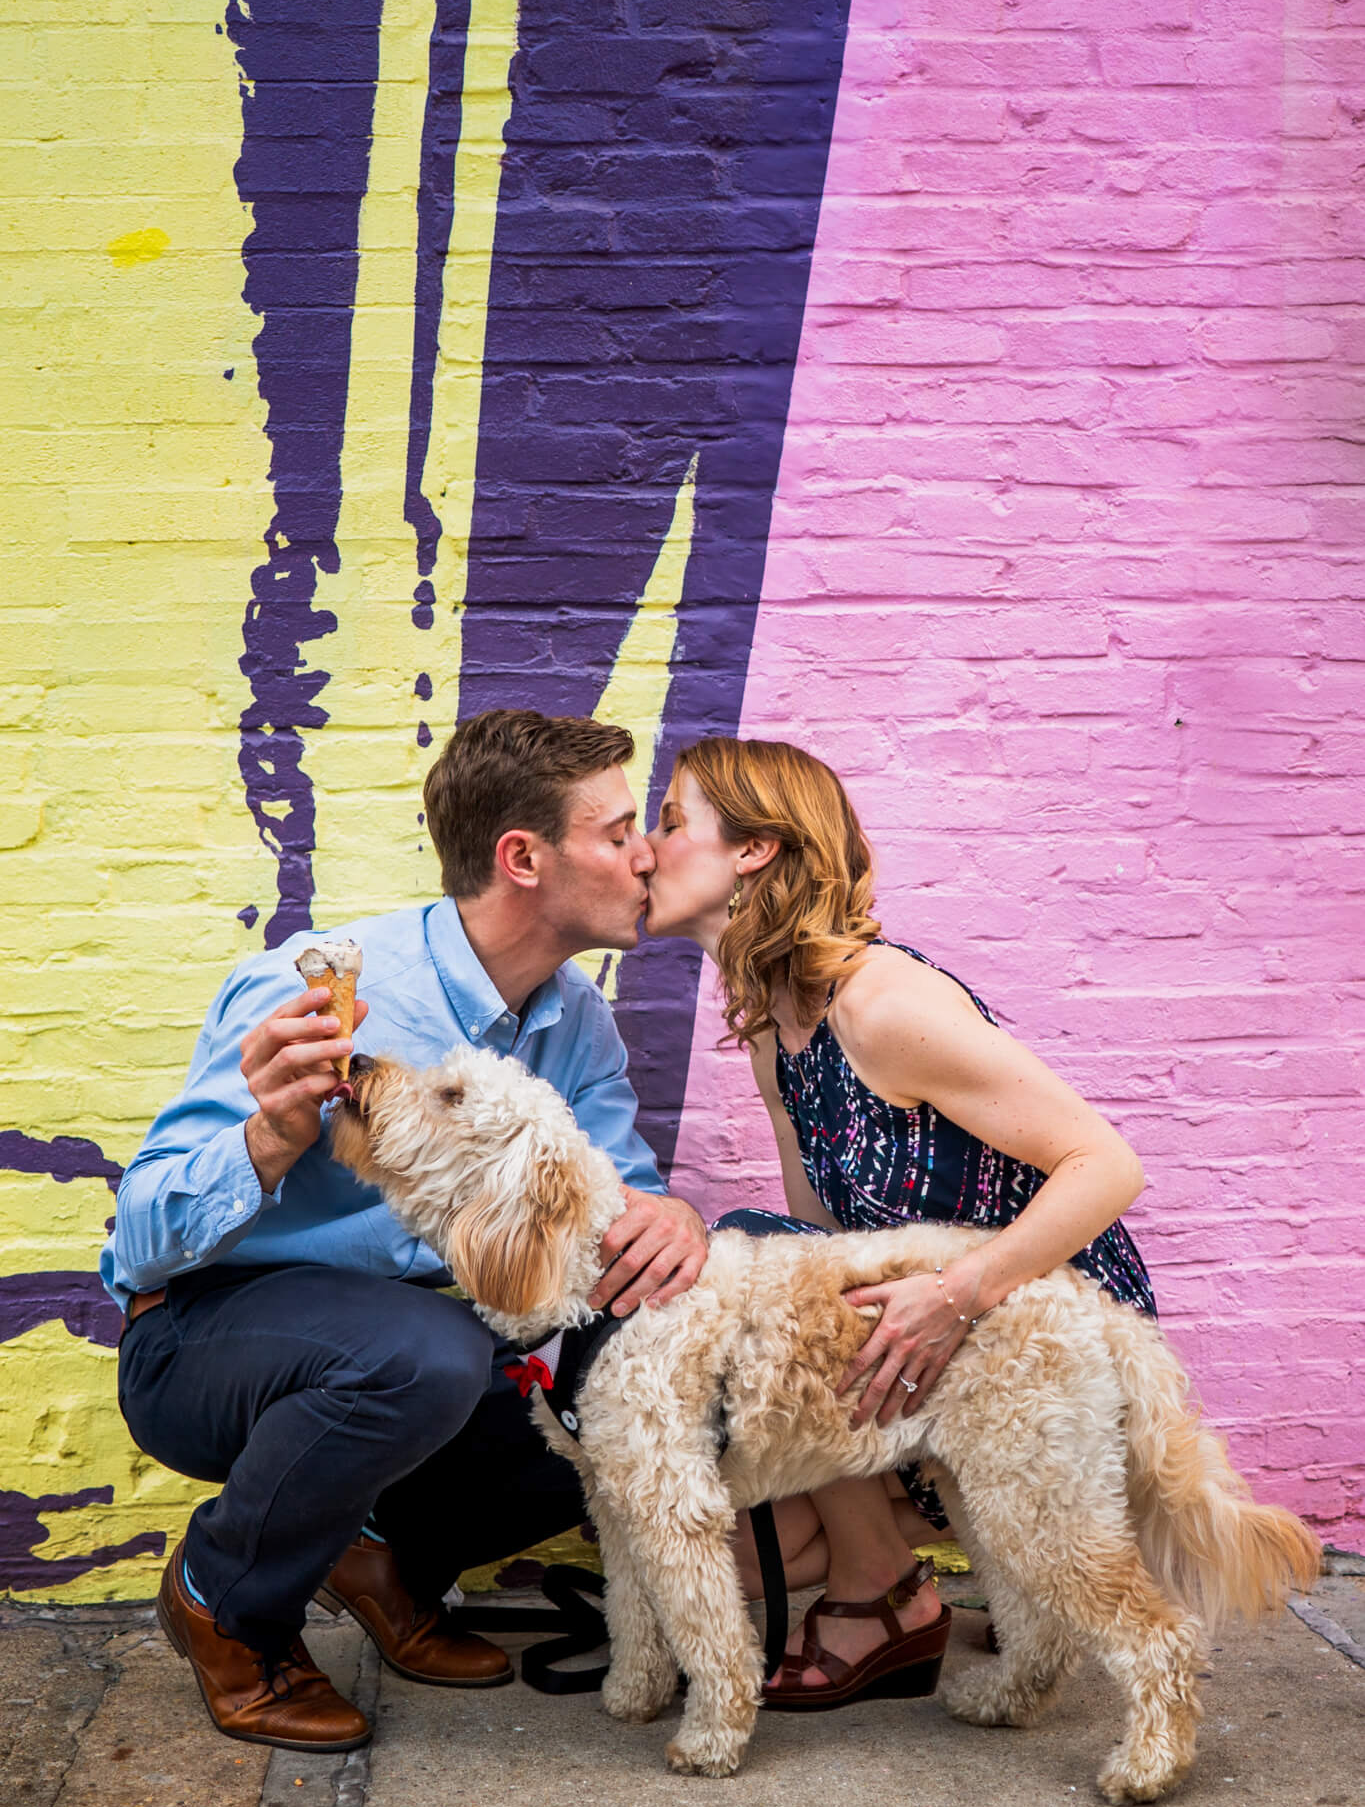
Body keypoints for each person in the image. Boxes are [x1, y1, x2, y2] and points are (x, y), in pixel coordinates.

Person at [103, 710, 707, 1751]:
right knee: (428, 1350)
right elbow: (139, 1243)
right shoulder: (318, 990)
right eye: (616, 831)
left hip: (405, 1351)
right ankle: (224, 1602)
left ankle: (380, 1551)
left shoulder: (578, 1024)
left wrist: (682, 1219)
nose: (644, 851)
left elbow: (621, 1220)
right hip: (203, 1343)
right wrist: (272, 1135)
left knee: (656, 1352)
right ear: (524, 857)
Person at [643, 736, 1153, 1709]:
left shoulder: (881, 1007)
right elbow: (821, 1249)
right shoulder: (779, 1025)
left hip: (1045, 1339)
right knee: (763, 1266)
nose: (648, 845)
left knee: (760, 1254)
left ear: (753, 849)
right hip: (929, 1348)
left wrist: (959, 1294)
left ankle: (881, 1586)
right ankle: (887, 1557)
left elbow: (1106, 1164)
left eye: (673, 821)